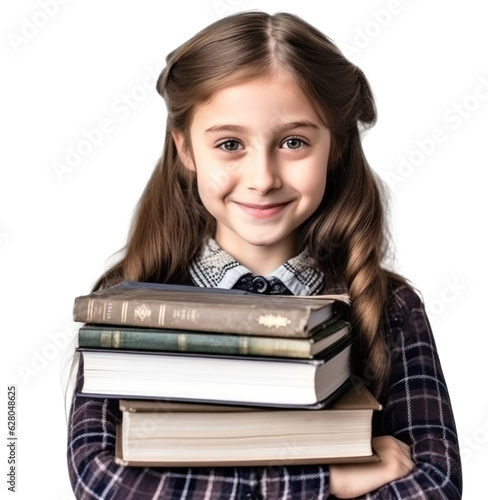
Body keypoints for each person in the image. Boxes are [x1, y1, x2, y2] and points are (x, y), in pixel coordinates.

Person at [66, 11, 462, 499]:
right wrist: (327, 481)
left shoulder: (390, 306)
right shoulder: (127, 305)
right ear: (186, 150)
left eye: (294, 142)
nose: (263, 177)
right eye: (230, 144)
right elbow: (102, 481)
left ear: (334, 147)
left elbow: (433, 485)